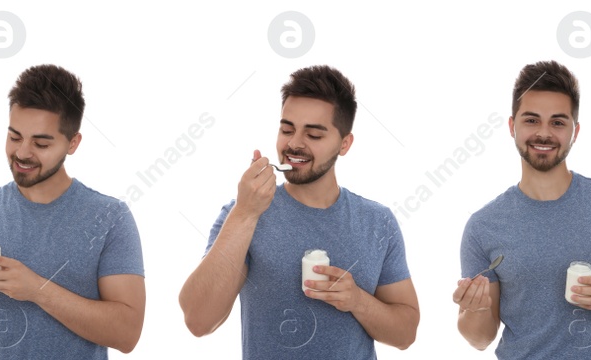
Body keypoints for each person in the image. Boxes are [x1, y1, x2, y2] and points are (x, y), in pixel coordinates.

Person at [178, 65, 420, 359]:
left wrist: (357, 301)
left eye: (314, 135)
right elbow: (198, 320)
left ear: (344, 144)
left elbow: (406, 334)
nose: (293, 144)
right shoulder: (243, 214)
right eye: (287, 129)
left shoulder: (377, 222)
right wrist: (245, 213)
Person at [0, 64, 146, 359]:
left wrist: (37, 289)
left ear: (73, 143)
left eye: (40, 143)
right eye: (15, 137)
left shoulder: (110, 217)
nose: (23, 152)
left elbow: (127, 334)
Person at [454, 60, 591, 359]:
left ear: (574, 131)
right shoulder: (483, 226)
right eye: (531, 120)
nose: (544, 133)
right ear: (512, 126)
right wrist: (476, 310)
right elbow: (480, 338)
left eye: (557, 122)